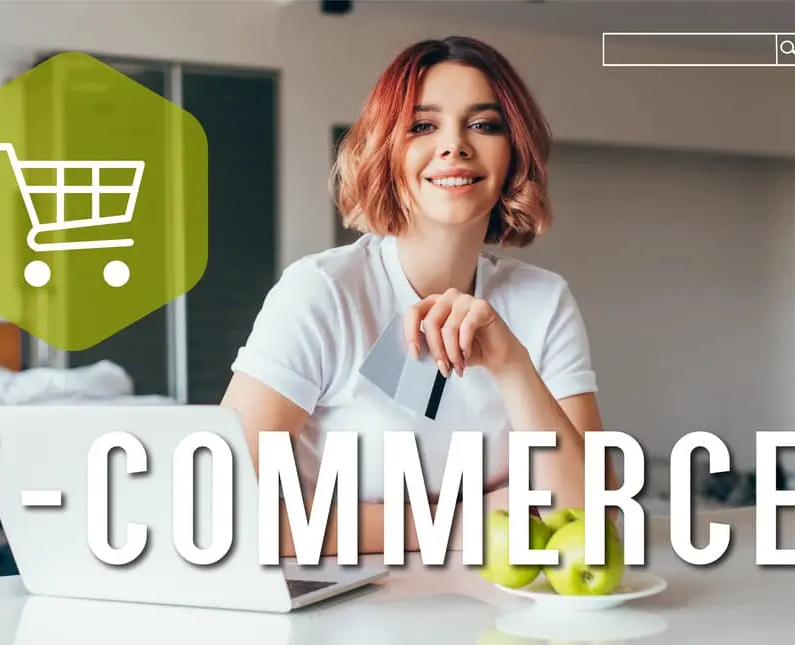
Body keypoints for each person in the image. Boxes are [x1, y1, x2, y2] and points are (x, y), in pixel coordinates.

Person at [221, 35, 615, 558]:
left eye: (483, 124)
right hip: (344, 621)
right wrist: (466, 522)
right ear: (389, 151)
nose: (454, 145)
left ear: (513, 152)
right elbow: (225, 509)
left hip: (497, 618)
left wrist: (511, 363)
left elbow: (598, 523)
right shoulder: (323, 293)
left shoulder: (543, 302)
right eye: (423, 126)